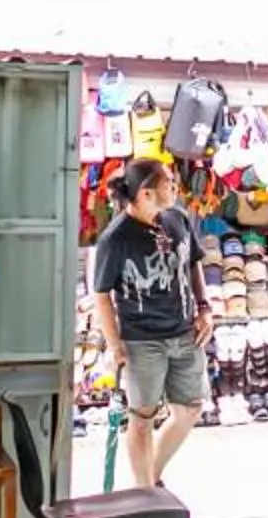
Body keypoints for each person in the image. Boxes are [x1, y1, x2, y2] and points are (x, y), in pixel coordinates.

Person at [90, 158, 211, 487]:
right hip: (142, 340)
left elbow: (193, 262)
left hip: (186, 333)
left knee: (189, 409)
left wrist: (204, 308)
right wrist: (114, 345)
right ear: (145, 193)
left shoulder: (178, 217)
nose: (174, 186)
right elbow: (101, 295)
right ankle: (146, 491)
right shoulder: (115, 239)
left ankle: (150, 477)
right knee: (141, 418)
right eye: (168, 182)